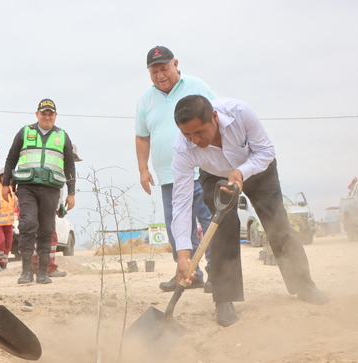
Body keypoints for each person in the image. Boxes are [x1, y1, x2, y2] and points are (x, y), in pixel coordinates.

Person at [171, 95, 329, 327]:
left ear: (214, 117)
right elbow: (182, 199)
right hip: (215, 175)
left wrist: (241, 172)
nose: (195, 140)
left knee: (277, 223)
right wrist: (183, 252)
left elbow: (266, 151)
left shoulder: (241, 113)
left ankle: (304, 285)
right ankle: (224, 300)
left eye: (200, 132)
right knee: (223, 226)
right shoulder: (182, 147)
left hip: (256, 167)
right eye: (188, 135)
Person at [134, 46, 216, 293]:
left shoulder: (197, 86)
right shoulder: (145, 100)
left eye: (164, 68)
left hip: (203, 171)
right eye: (154, 70)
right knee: (177, 227)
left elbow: (218, 116)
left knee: (210, 221)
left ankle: (217, 272)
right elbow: (142, 137)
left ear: (175, 64)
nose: (160, 75)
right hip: (169, 176)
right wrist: (143, 170)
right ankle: (189, 273)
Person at [2, 98, 76, 285]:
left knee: (46, 228)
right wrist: (5, 184)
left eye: (50, 114)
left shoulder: (62, 136)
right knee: (27, 224)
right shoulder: (25, 132)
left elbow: (69, 166)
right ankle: (26, 272)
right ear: (37, 115)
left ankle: (42, 273)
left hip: (51, 189)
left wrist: (71, 193)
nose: (47, 117)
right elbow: (11, 158)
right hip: (27, 187)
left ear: (55, 116)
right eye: (43, 113)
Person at [31, 144, 83, 277]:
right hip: (43, 205)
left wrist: (59, 205)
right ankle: (46, 267)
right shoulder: (52, 167)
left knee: (45, 236)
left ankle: (40, 266)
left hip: (48, 204)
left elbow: (58, 190)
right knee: (48, 236)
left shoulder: (60, 169)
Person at [0, 168, 16, 272]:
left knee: (8, 244)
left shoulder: (11, 189)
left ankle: (4, 264)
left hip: (9, 223)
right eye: (4, 175)